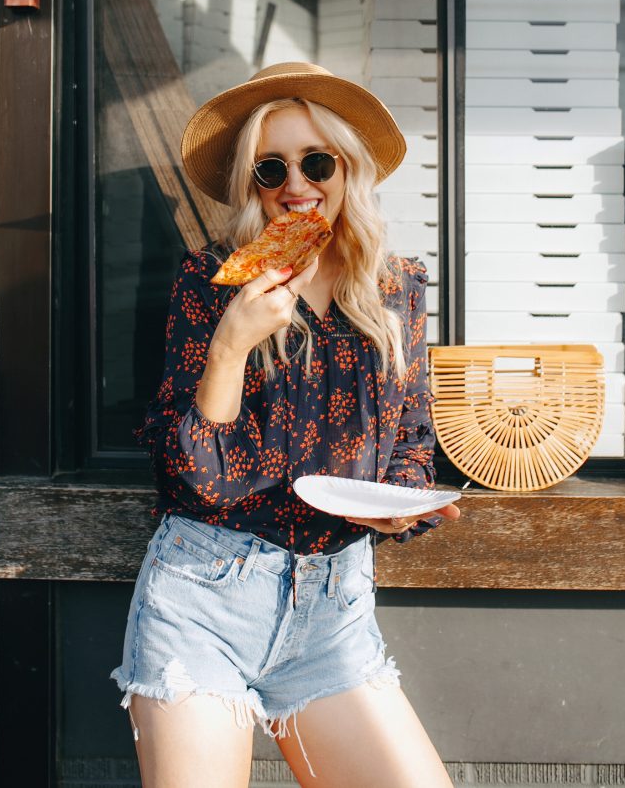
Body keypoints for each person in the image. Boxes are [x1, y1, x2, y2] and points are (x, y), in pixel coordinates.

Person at [110, 62, 461, 788]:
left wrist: (400, 509)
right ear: (252, 183)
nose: (295, 184)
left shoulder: (397, 288)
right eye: (272, 167)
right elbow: (191, 480)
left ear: (347, 169)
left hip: (333, 612)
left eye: (316, 161)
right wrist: (232, 344)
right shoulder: (215, 285)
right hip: (204, 597)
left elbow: (414, 447)